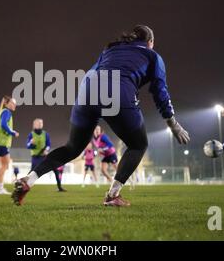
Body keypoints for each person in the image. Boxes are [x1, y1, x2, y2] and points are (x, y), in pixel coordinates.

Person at [12, 24, 190, 206]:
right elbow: (160, 91)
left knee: (72, 147)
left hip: (86, 91)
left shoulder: (111, 49)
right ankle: (113, 195)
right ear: (150, 42)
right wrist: (172, 123)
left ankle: (29, 179)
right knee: (138, 145)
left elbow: (94, 72)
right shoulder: (153, 56)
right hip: (117, 92)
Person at [27, 118, 66, 192]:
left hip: (44, 156)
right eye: (38, 123)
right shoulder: (31, 134)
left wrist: (46, 149)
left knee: (55, 169)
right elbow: (28, 146)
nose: (40, 124)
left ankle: (59, 187)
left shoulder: (45, 134)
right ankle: (24, 185)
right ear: (34, 125)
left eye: (41, 123)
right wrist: (31, 143)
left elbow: (48, 144)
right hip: (36, 157)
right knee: (32, 171)